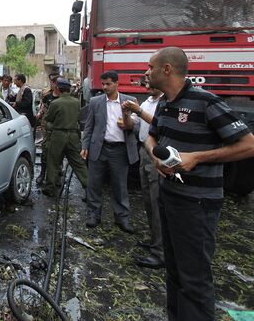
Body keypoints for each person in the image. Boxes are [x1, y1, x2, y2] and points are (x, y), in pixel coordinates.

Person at [144, 47, 254, 321]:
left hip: (196, 204)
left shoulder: (206, 102)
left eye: (150, 67)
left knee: (194, 279)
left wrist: (197, 157)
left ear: (167, 69)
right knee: (173, 272)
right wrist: (155, 157)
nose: (146, 72)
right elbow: (152, 137)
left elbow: (251, 146)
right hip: (169, 196)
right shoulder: (164, 103)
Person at [80, 70, 139, 232]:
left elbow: (138, 126)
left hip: (120, 150)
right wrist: (85, 146)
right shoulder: (95, 102)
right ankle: (93, 215)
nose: (105, 87)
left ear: (117, 83)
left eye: (108, 84)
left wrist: (129, 122)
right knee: (94, 184)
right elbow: (89, 126)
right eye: (103, 84)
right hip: (99, 148)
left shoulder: (130, 101)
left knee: (120, 186)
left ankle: (122, 218)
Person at [123, 82, 165, 269]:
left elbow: (160, 125)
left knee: (157, 201)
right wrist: (127, 114)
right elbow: (132, 126)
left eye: (150, 78)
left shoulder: (165, 103)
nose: (147, 83)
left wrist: (138, 111)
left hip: (156, 154)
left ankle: (161, 252)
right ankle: (155, 240)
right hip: (143, 151)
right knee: (148, 199)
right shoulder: (147, 102)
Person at [43, 77, 88, 197]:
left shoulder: (55, 103)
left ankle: (49, 187)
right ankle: (89, 187)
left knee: (53, 162)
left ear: (58, 88)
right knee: (78, 163)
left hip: (58, 135)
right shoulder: (76, 102)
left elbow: (48, 118)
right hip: (73, 135)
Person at [37, 72, 61, 185]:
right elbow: (43, 107)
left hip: (59, 127)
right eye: (51, 82)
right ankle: (43, 173)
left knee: (59, 152)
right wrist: (39, 114)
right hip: (47, 126)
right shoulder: (47, 95)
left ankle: (57, 174)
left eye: (54, 82)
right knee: (45, 150)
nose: (52, 84)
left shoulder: (63, 96)